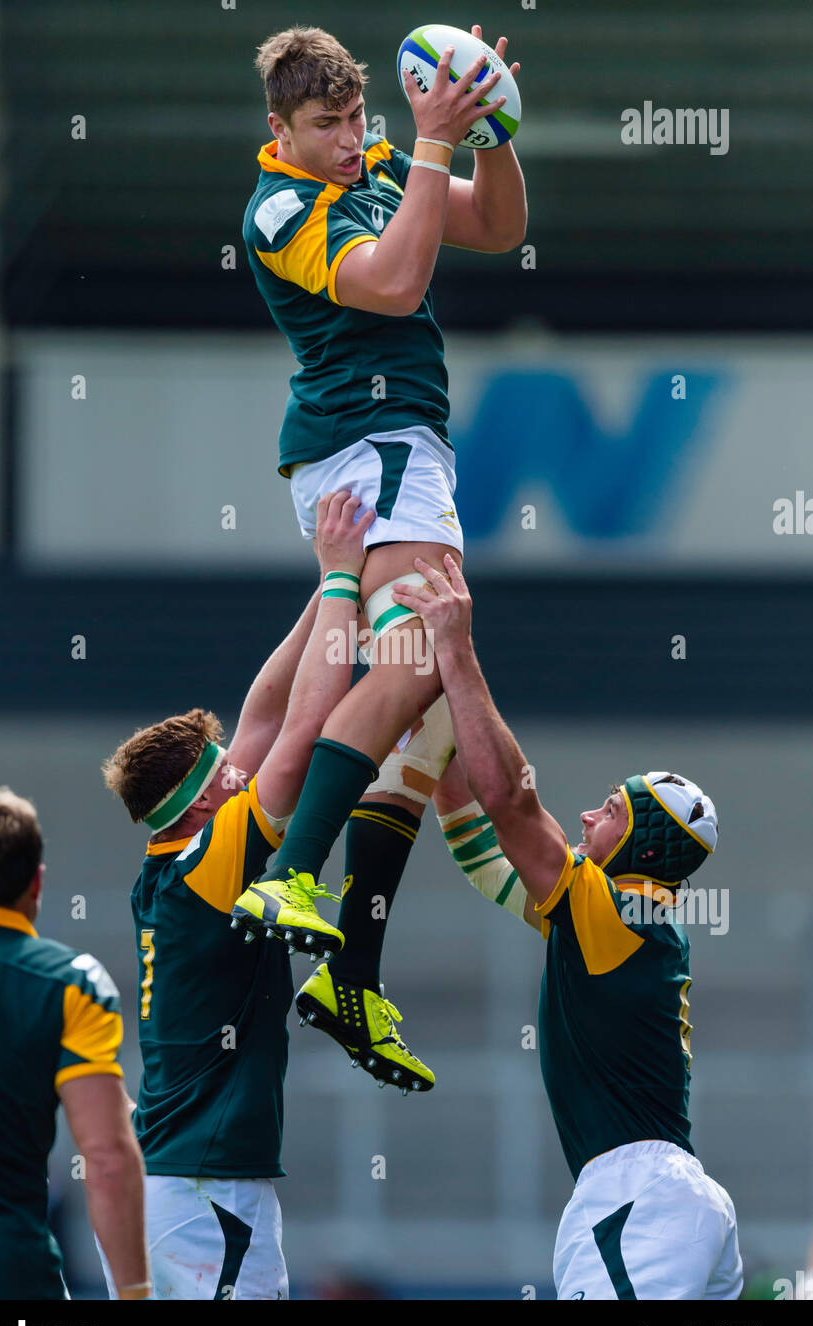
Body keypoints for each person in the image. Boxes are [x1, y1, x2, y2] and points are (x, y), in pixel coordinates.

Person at [237, 26, 526, 1083]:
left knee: (426, 700)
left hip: (406, 449)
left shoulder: (378, 161)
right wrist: (433, 143)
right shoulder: (276, 209)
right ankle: (297, 874)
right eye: (328, 127)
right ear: (281, 131)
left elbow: (493, 228)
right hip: (365, 448)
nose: (353, 140)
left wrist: (486, 125)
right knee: (409, 666)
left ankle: (352, 969)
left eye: (359, 118)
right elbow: (397, 284)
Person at [391, 553, 743, 1300]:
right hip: (666, 1198)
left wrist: (456, 650)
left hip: (636, 1200)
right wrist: (435, 720)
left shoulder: (614, 913)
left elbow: (511, 804)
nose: (587, 816)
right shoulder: (617, 920)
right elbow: (483, 852)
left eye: (611, 808)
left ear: (646, 845)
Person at [101, 492, 378, 1300]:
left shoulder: (179, 853)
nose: (241, 771)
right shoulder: (209, 862)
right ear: (198, 805)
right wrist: (337, 584)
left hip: (194, 1186)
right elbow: (304, 729)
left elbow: (262, 713)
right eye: (226, 775)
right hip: (204, 1192)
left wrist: (333, 581)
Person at [0, 789, 149, 1300]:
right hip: (9, 1282)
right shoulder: (69, 982)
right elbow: (104, 1157)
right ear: (37, 882)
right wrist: (135, 1292)